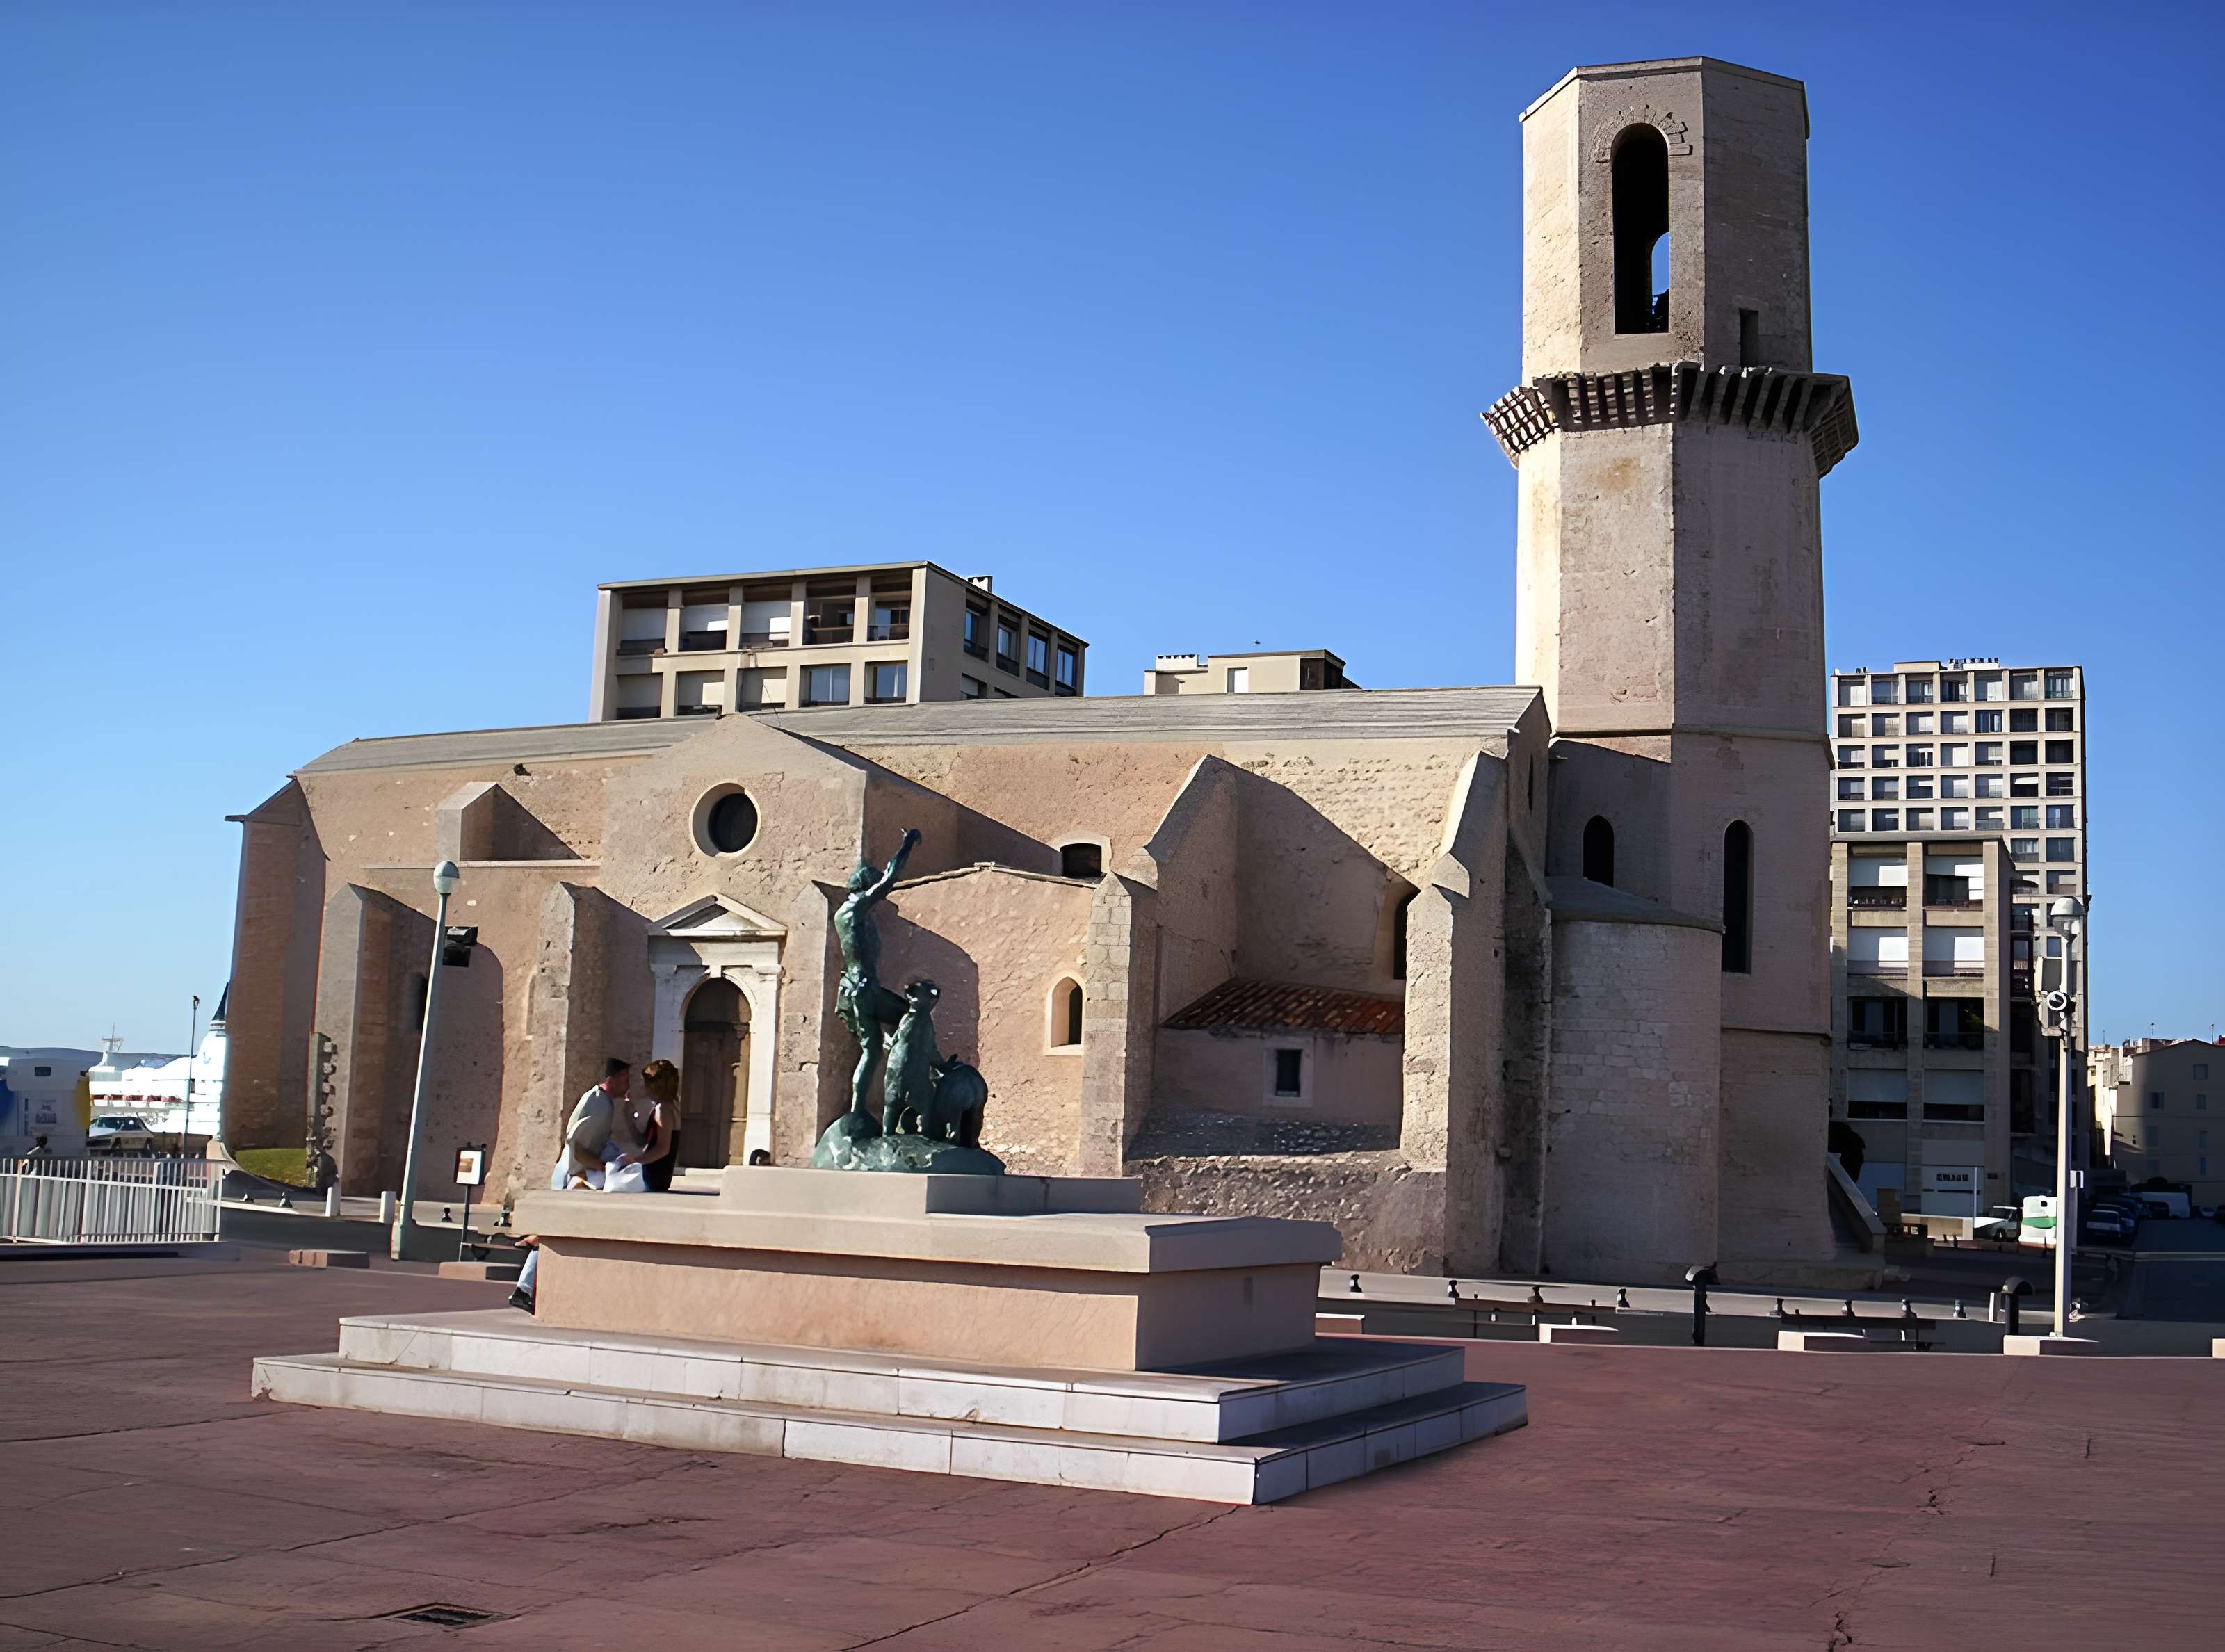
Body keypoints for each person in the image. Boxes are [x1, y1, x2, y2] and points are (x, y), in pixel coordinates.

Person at [510, 1057, 633, 1313]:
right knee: (552, 1234)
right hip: (574, 1176)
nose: (628, 1085)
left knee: (551, 1234)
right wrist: (599, 1169)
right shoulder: (599, 1105)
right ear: (610, 1079)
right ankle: (525, 1288)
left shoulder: (602, 1102)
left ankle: (525, 1288)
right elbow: (577, 1146)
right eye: (624, 1079)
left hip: (574, 1173)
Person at [633, 1059, 681, 1192]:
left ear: (654, 1086)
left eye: (646, 1084)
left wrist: (635, 1161)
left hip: (654, 1177)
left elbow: (662, 1148)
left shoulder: (663, 1109)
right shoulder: (674, 1106)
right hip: (661, 1177)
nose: (644, 1089)